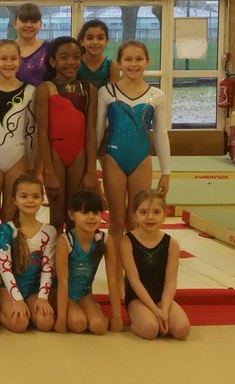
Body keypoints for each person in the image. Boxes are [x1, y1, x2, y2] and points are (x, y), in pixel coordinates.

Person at [97, 40, 171, 295]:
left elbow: (160, 134)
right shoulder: (107, 92)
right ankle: (115, 277)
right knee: (117, 221)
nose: (133, 64)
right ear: (119, 62)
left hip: (141, 159)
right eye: (128, 59)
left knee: (136, 220)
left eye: (139, 59)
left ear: (147, 61)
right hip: (114, 159)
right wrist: (90, 167)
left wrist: (166, 172)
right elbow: (98, 132)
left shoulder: (156, 95)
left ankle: (135, 277)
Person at [0, 39, 36, 286]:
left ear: (20, 61)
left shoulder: (30, 91)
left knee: (12, 217)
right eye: (3, 58)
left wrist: (33, 166)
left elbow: (32, 131)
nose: (8, 63)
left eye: (13, 59)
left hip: (18, 157)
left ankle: (9, 270)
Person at [36, 36, 99, 230]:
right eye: (64, 57)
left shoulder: (89, 90)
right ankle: (55, 250)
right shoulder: (46, 89)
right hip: (55, 154)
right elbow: (42, 133)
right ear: (52, 61)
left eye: (76, 57)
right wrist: (48, 171)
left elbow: (90, 132)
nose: (71, 62)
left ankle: (73, 250)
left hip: (79, 154)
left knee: (75, 213)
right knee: (57, 215)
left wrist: (91, 171)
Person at [121, 190, 191, 340]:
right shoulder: (127, 242)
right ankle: (137, 321)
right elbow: (134, 281)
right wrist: (154, 310)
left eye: (156, 212)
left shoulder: (171, 244)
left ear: (165, 214)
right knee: (150, 330)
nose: (150, 217)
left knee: (182, 330)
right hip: (137, 298)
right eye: (143, 212)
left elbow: (170, 281)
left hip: (162, 298)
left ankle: (158, 315)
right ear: (134, 216)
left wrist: (164, 309)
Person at [54, 190, 121, 335]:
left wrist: (117, 317)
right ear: (72, 215)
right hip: (63, 294)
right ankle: (72, 311)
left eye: (96, 213)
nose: (91, 217)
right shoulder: (65, 241)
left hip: (85, 293)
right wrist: (61, 318)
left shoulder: (106, 240)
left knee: (99, 327)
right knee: (78, 323)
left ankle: (93, 308)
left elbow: (113, 280)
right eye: (85, 212)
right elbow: (62, 281)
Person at [0, 176, 56, 333]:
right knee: (19, 324)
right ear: (14, 200)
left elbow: (48, 267)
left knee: (45, 323)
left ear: (42, 199)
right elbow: (4, 267)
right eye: (24, 196)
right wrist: (17, 299)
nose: (30, 201)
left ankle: (29, 310)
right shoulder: (6, 230)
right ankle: (3, 314)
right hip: (9, 289)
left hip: (34, 290)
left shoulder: (49, 231)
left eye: (35, 196)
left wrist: (42, 297)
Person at [77, 19, 120, 89]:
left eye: (100, 38)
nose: (95, 42)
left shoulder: (111, 65)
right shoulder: (76, 63)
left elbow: (114, 93)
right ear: (82, 41)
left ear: (106, 41)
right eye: (90, 38)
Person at [13, 3, 48, 86]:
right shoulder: (5, 49)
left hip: (42, 94)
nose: (28, 25)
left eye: (34, 22)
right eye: (24, 21)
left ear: (40, 24)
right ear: (15, 23)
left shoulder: (50, 49)